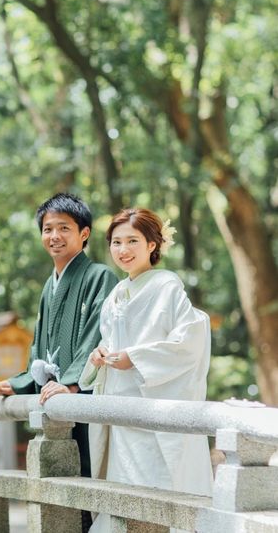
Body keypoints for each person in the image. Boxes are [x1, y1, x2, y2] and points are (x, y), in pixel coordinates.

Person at [79, 208, 213, 533]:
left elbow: (190, 340)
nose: (123, 250)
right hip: (121, 415)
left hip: (154, 411)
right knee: (124, 496)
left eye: (132, 241)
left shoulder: (167, 286)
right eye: (116, 242)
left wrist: (137, 358)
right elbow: (109, 343)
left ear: (152, 245)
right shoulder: (114, 296)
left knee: (158, 491)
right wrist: (98, 356)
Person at [0, 193, 118, 490]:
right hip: (55, 398)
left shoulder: (100, 276)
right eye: (48, 229)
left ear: (84, 233)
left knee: (90, 476)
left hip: (85, 395)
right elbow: (40, 344)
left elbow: (97, 335)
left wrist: (72, 383)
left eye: (64, 228)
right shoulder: (50, 285)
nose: (54, 236)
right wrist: (22, 382)